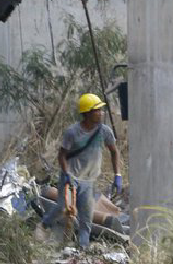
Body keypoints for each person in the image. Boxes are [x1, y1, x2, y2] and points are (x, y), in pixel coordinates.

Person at [39, 93, 122, 249]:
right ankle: (44, 225)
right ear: (87, 113)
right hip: (71, 177)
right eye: (97, 110)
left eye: (100, 110)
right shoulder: (72, 132)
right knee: (64, 207)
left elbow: (114, 151)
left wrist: (118, 175)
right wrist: (66, 175)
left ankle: (82, 249)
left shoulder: (104, 131)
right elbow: (62, 155)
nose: (101, 113)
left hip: (89, 181)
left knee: (86, 218)